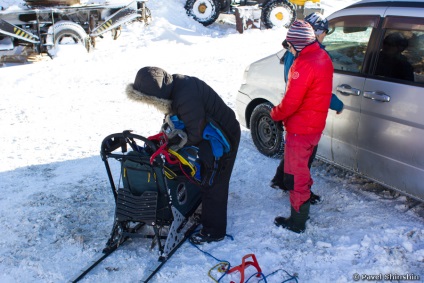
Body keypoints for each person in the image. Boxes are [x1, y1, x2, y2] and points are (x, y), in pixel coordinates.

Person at [126, 66, 241, 244]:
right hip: (208, 133)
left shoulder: (185, 95)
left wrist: (173, 145)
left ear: (158, 94)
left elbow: (195, 132)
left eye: (151, 100)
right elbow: (177, 121)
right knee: (202, 172)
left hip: (224, 135)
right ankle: (204, 208)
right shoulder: (173, 88)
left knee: (215, 180)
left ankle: (214, 231)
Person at [270, 12, 344, 205]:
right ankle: (298, 196)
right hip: (305, 117)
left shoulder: (302, 54)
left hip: (301, 115)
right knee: (302, 160)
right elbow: (311, 91)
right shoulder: (307, 57)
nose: (323, 37)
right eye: (322, 33)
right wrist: (336, 103)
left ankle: (284, 181)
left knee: (295, 155)